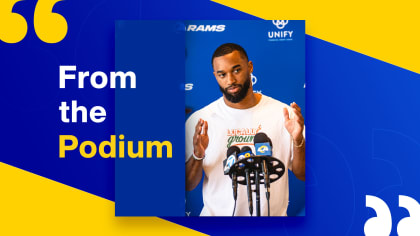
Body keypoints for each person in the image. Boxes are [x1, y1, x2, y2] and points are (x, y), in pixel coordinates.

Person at [185, 43, 305, 216]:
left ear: (250, 67)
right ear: (215, 76)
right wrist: (198, 154)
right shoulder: (200, 121)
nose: (230, 80)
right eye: (222, 74)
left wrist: (298, 140)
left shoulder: (285, 115)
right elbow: (188, 185)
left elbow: (303, 174)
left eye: (236, 70)